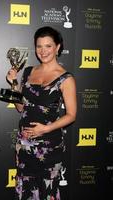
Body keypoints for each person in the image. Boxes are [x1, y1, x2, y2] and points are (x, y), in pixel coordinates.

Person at [6, 26, 77, 200]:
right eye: (39, 46)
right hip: (24, 144)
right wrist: (14, 83)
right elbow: (21, 108)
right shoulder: (29, 72)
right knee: (25, 191)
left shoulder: (65, 78)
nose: (43, 51)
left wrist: (45, 129)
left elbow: (71, 115)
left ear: (58, 47)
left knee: (47, 191)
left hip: (49, 146)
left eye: (48, 46)